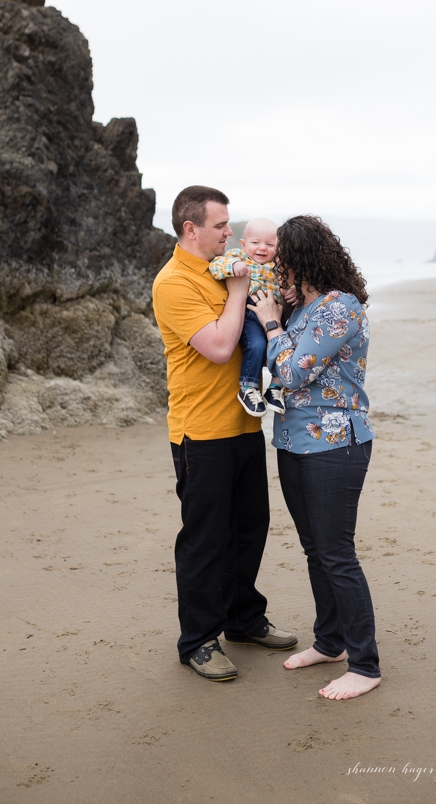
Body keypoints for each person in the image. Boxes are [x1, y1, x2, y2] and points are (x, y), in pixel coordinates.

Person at [150, 185, 297, 682]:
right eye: (220, 226)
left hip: (243, 424)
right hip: (201, 433)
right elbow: (217, 346)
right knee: (205, 541)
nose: (229, 234)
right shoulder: (174, 283)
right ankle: (197, 641)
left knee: (249, 529)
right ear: (191, 228)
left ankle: (243, 619)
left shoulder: (227, 267)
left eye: (229, 225)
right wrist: (238, 292)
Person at [251, 215, 382, 701]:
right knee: (315, 550)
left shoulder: (338, 308)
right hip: (292, 443)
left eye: (281, 256)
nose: (275, 264)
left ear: (301, 257)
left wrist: (269, 323)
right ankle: (331, 643)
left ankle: (365, 664)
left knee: (337, 554)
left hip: (336, 445)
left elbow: (291, 370)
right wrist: (275, 315)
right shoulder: (299, 308)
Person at [206, 217, 286, 416]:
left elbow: (290, 284)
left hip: (275, 313)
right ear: (244, 244)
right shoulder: (238, 256)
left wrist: (290, 292)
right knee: (256, 345)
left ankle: (275, 388)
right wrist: (233, 267)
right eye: (255, 243)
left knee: (285, 346)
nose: (262, 248)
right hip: (249, 313)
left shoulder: (278, 266)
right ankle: (248, 388)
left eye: (270, 244)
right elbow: (215, 267)